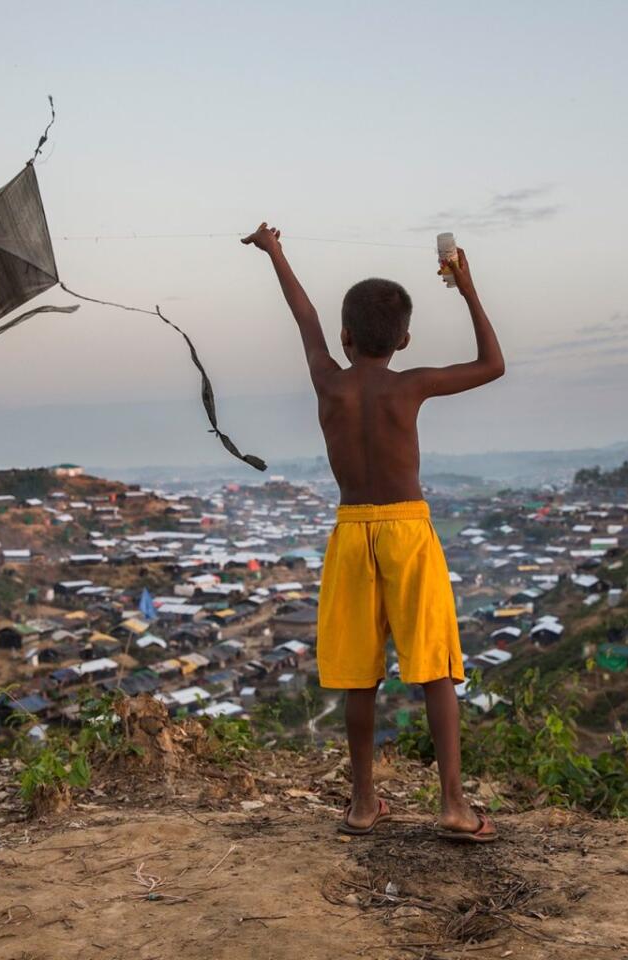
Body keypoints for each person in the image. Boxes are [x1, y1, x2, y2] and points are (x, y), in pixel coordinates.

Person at [242, 222, 504, 842]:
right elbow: (492, 364)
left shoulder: (328, 382)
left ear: (346, 336)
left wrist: (275, 250)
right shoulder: (410, 385)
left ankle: (363, 803)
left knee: (358, 672)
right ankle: (454, 806)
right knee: (435, 668)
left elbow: (302, 314)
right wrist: (466, 288)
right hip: (407, 530)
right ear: (405, 339)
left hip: (351, 531)